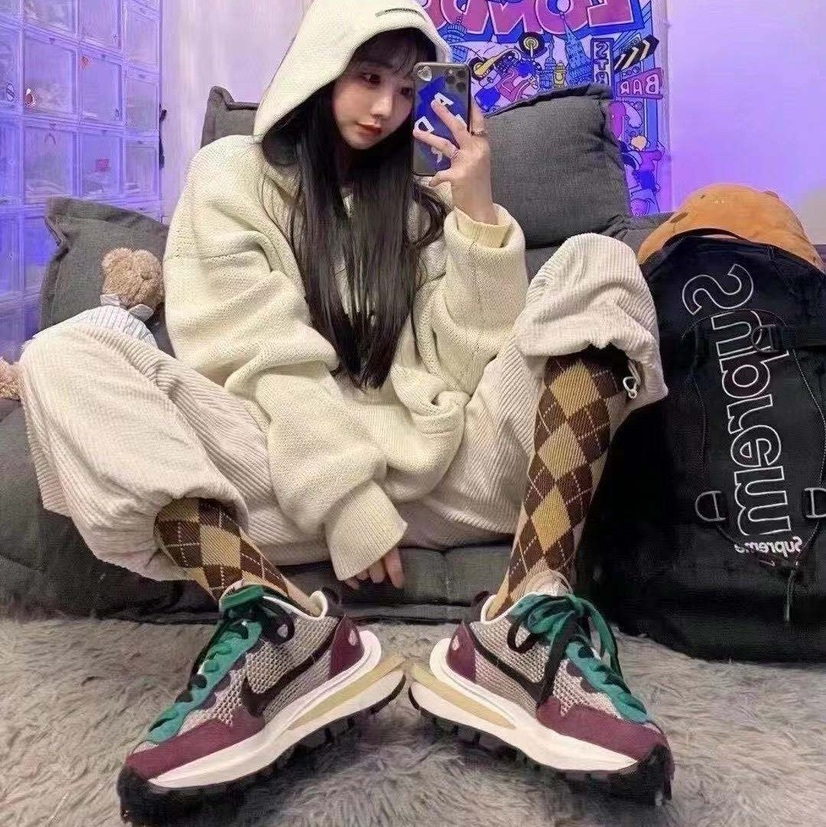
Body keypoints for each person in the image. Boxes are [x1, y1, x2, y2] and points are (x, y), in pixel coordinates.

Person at [17, 0, 673, 822]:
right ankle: (277, 623)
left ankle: (527, 616)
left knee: (599, 260)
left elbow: (466, 369)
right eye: (367, 78)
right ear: (319, 69)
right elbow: (257, 353)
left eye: (406, 89)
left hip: (448, 466)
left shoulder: (424, 195)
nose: (385, 108)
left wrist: (475, 216)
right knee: (65, 352)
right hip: (284, 474)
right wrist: (345, 499)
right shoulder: (230, 176)